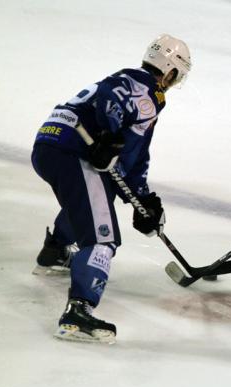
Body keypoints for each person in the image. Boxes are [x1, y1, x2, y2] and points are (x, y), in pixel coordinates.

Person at [31, 34, 191, 344]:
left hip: (51, 144)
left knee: (100, 193)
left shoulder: (148, 95)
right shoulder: (141, 83)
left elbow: (134, 155)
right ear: (170, 70)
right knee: (103, 237)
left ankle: (55, 250)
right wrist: (107, 133)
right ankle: (78, 313)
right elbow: (110, 96)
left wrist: (144, 199)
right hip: (71, 151)